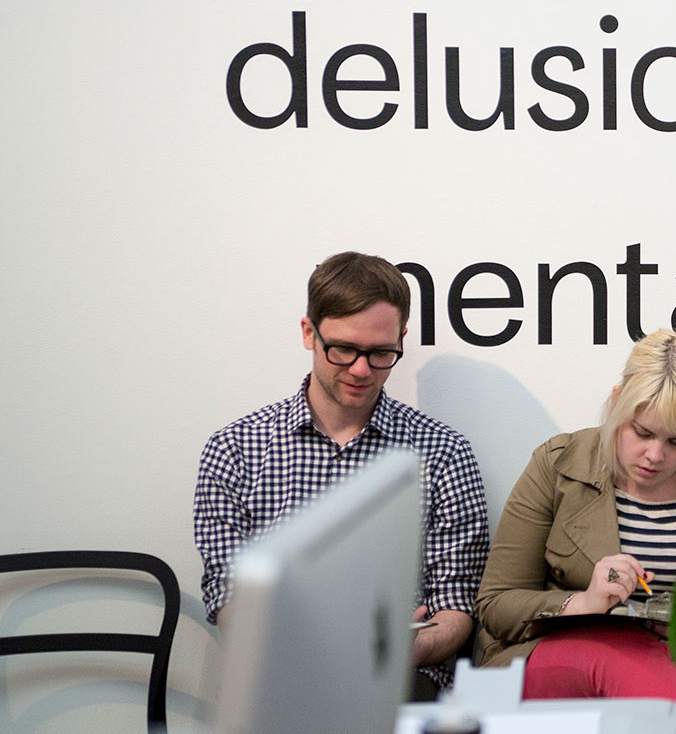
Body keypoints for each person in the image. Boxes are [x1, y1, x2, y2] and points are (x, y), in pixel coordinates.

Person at [193, 251, 489, 696]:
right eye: (344, 349)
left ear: (401, 339)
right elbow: (228, 595)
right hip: (283, 676)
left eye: (381, 353)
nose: (361, 369)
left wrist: (411, 647)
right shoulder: (234, 451)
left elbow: (456, 602)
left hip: (402, 682)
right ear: (308, 333)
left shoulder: (444, 452)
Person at [474, 329, 676, 734]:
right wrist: (584, 602)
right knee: (625, 664)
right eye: (642, 432)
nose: (655, 455)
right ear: (616, 401)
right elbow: (496, 604)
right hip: (554, 656)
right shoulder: (558, 464)